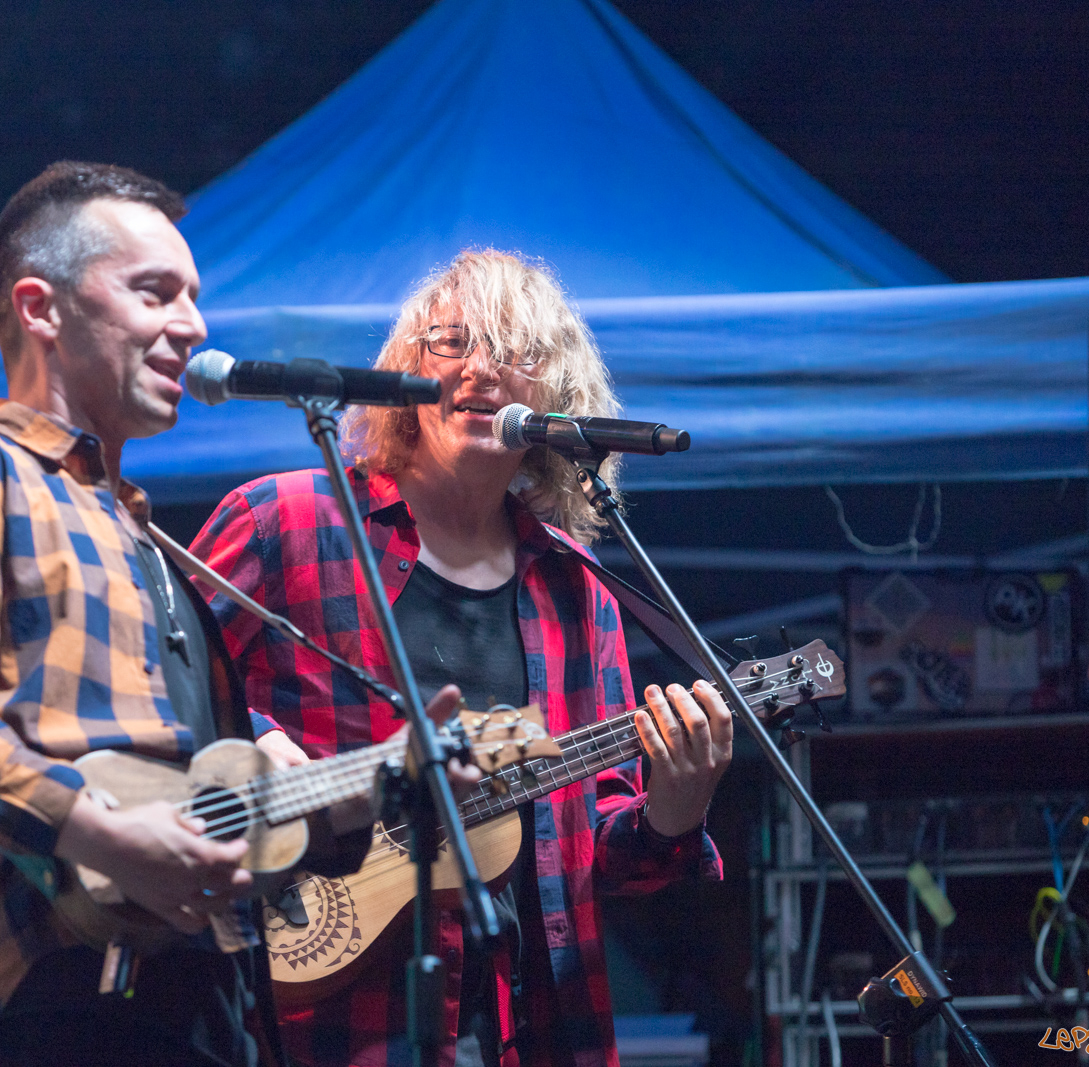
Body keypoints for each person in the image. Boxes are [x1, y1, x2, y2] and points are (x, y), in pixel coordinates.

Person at [0, 161, 455, 1067]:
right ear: (40, 308)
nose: (195, 324)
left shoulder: (152, 541)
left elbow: (209, 817)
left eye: (195, 296)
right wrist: (98, 831)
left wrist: (352, 795)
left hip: (210, 1002)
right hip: (47, 993)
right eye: (155, 292)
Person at [190, 249, 734, 1067]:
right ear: (407, 373)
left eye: (515, 349)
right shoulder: (284, 521)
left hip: (520, 1026)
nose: (482, 368)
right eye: (453, 342)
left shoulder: (576, 587)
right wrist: (266, 742)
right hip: (315, 1018)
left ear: (555, 393)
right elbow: (159, 688)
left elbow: (593, 856)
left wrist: (677, 807)